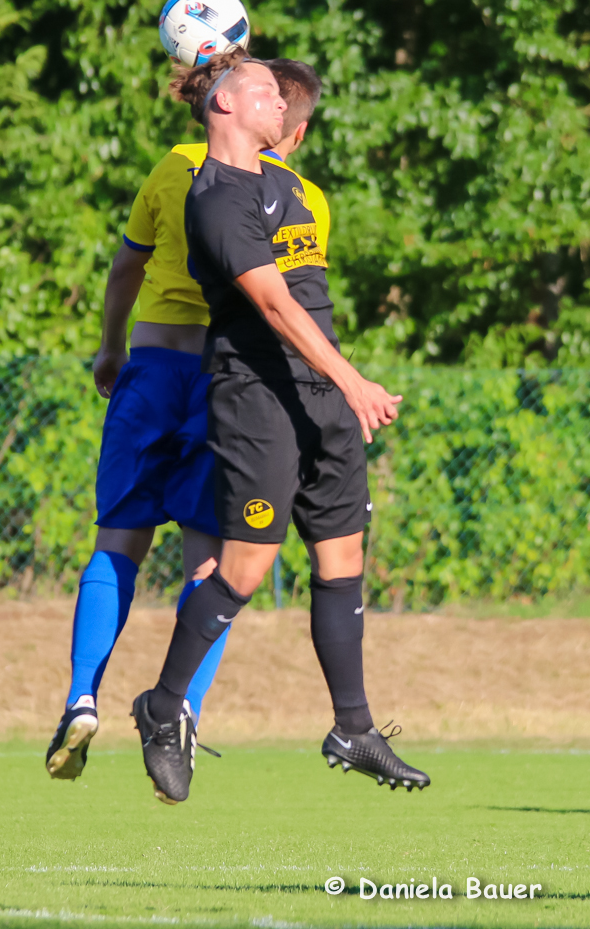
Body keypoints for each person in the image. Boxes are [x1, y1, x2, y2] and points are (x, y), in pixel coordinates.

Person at [131, 48, 431, 804]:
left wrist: (338, 388)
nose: (280, 102)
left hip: (322, 394)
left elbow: (309, 295)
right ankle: (163, 706)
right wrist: (354, 380)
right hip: (258, 399)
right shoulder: (212, 198)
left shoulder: (288, 185)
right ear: (225, 105)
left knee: (342, 558)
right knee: (244, 570)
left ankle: (352, 728)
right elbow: (272, 305)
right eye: (265, 91)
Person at [45, 57, 333, 794]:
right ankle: (181, 713)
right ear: (292, 131)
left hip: (151, 368)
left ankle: (81, 697)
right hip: (224, 384)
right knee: (211, 561)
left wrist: (110, 348)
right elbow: (287, 305)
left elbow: (125, 269)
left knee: (118, 542)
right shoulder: (303, 199)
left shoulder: (171, 170)